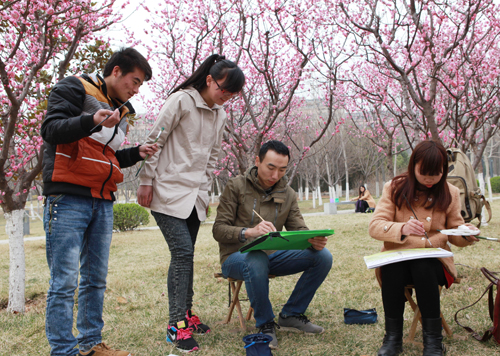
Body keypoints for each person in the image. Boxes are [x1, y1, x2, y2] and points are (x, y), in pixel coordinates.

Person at [41, 48, 157, 356]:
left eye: (140, 85)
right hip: (67, 196)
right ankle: (63, 351)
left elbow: (106, 157)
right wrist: (90, 119)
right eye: (135, 81)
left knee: (95, 280)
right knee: (64, 282)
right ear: (116, 71)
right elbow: (50, 130)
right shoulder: (73, 87)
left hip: (103, 199)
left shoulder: (123, 110)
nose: (136, 89)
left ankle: (92, 346)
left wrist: (136, 153)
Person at [136, 54, 245, 353]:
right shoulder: (181, 101)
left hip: (194, 197)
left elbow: (212, 157)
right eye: (224, 89)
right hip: (166, 190)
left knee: (187, 255)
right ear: (209, 80)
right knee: (182, 252)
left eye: (232, 94)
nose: (226, 97)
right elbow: (155, 140)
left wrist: (204, 193)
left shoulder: (219, 114)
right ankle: (176, 325)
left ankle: (186, 314)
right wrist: (146, 181)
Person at [212, 140, 333, 350]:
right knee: (256, 257)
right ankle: (265, 325)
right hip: (235, 258)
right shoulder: (236, 186)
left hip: (271, 257)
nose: (276, 175)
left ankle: (291, 314)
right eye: (271, 167)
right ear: (257, 161)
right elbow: (218, 230)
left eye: (282, 169)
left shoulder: (288, 194)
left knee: (322, 257)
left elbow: (299, 229)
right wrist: (249, 232)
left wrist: (313, 241)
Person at [368, 140, 479, 356]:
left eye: (436, 173)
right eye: (423, 172)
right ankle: (392, 339)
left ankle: (433, 343)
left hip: (434, 262)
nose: (429, 179)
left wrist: (465, 233)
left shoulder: (451, 192)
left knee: (423, 264)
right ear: (413, 166)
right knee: (391, 266)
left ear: (444, 171)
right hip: (399, 259)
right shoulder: (394, 187)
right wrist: (402, 228)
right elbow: (374, 227)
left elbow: (454, 231)